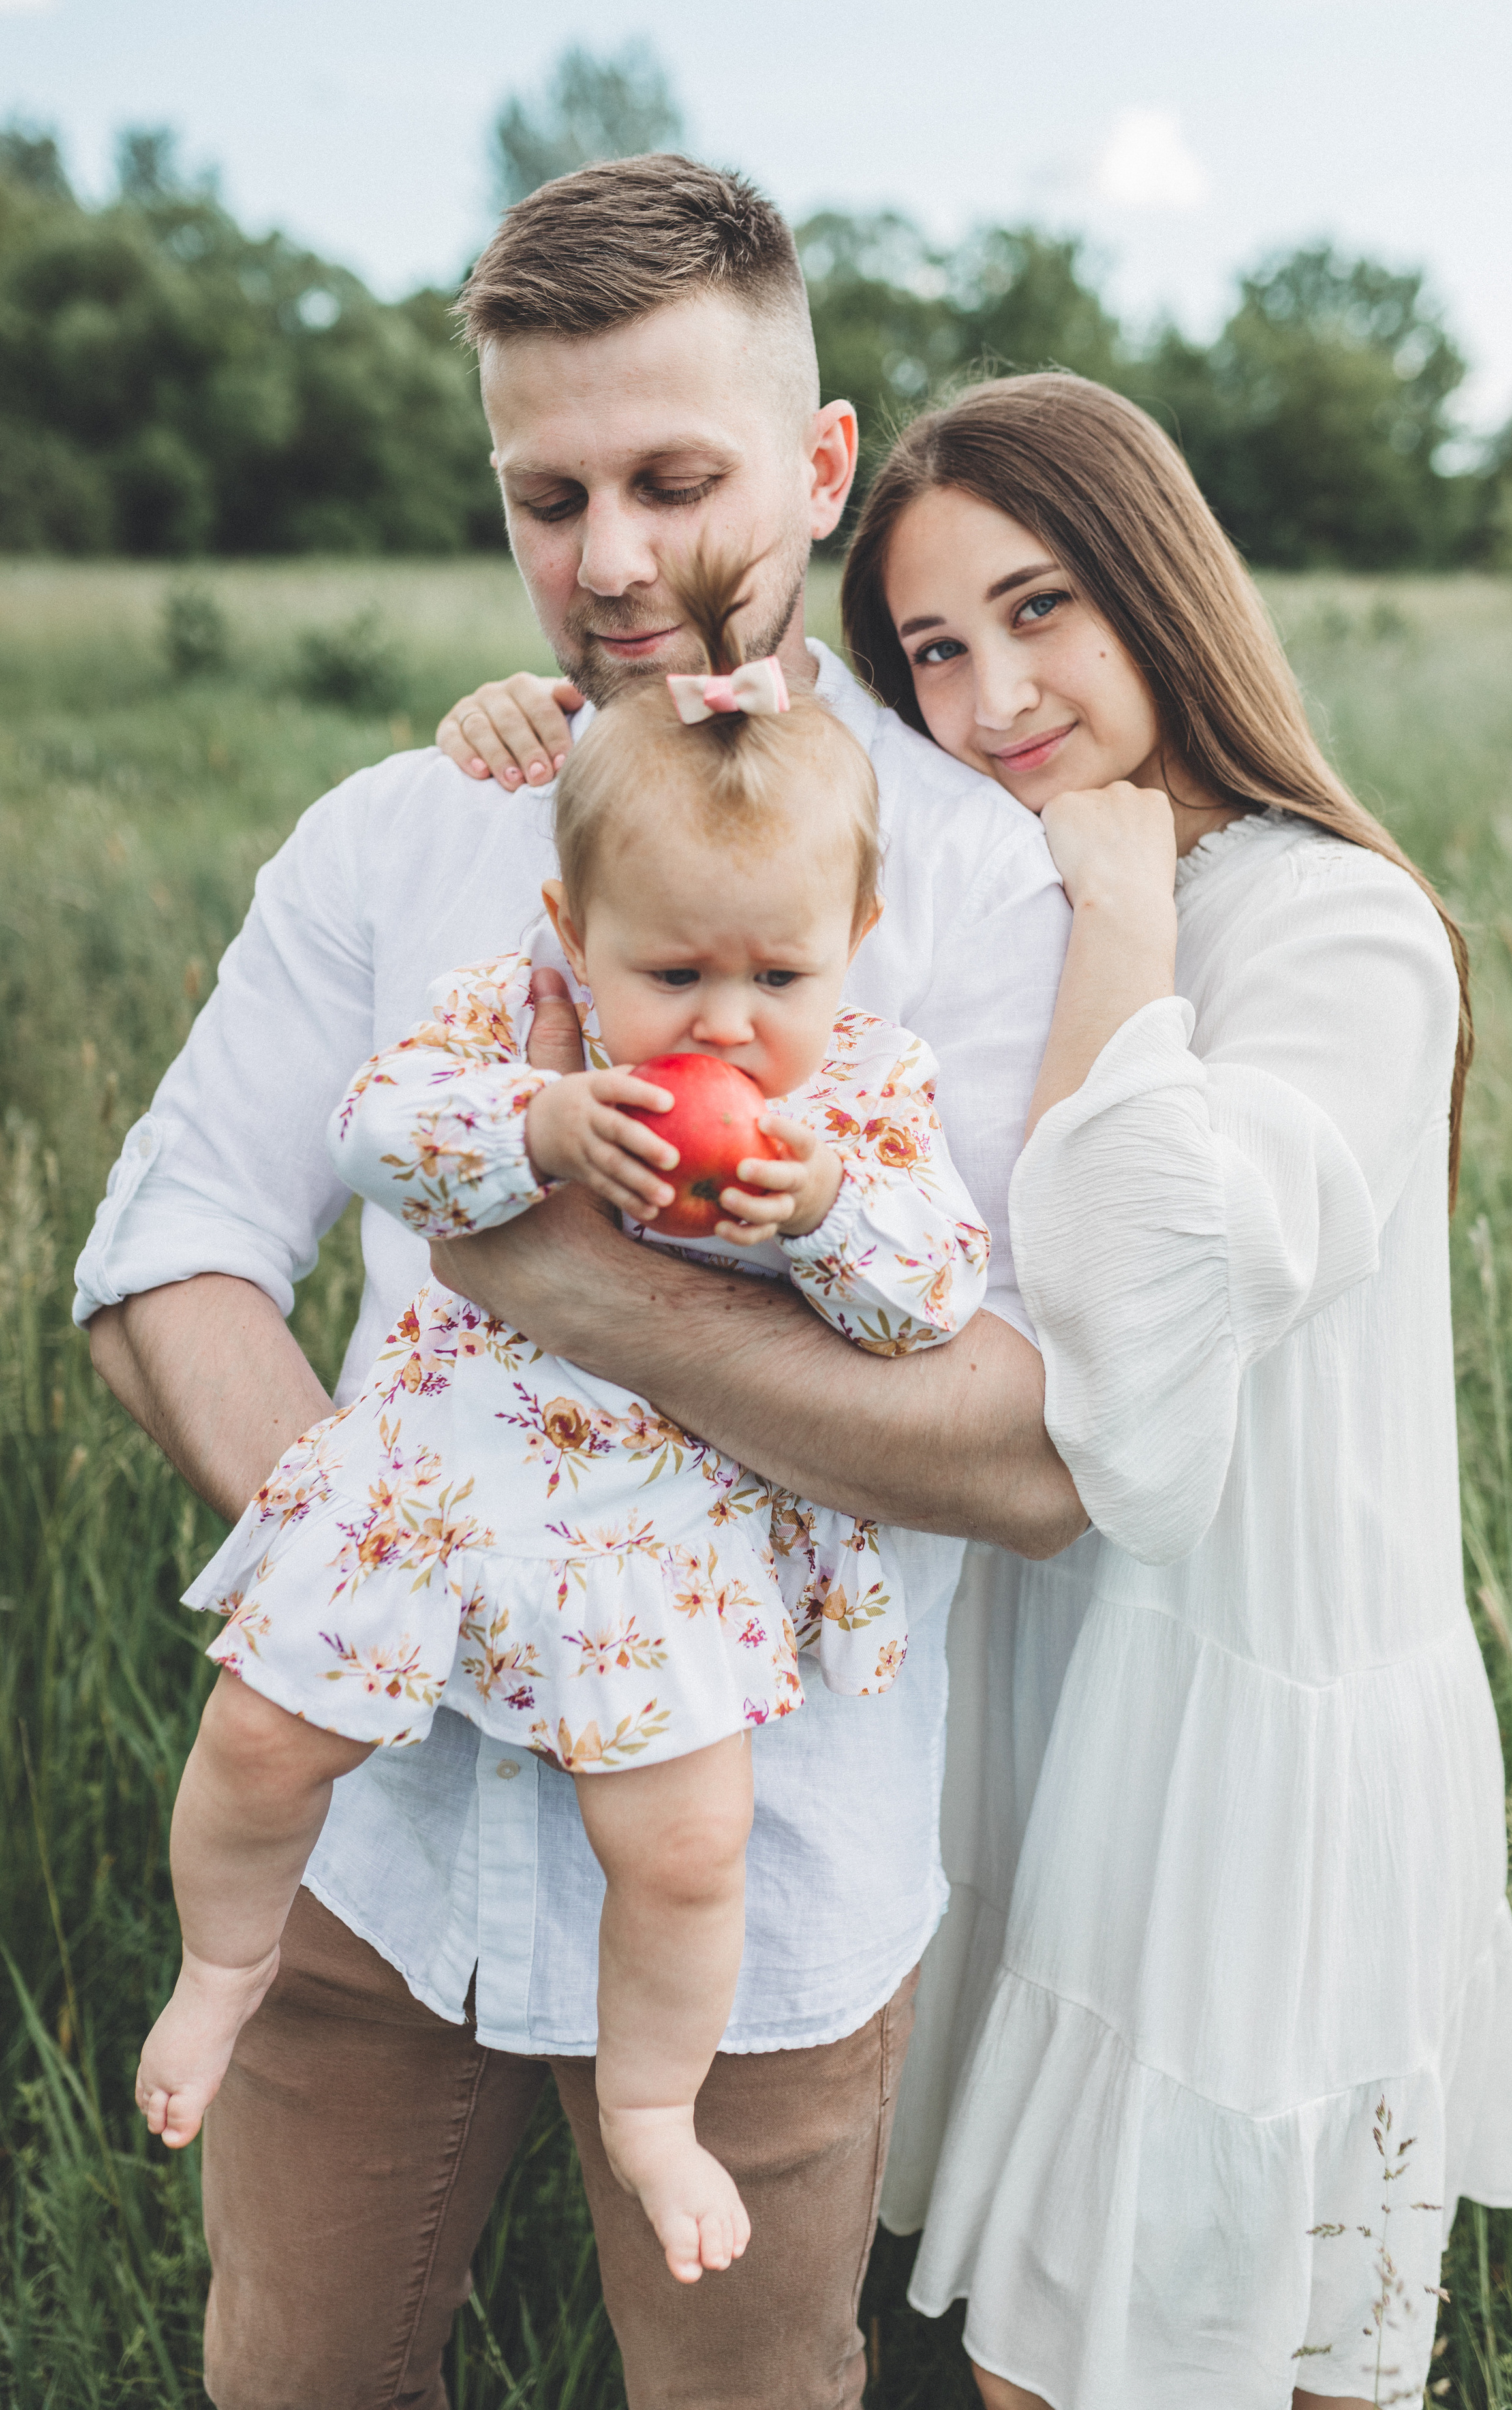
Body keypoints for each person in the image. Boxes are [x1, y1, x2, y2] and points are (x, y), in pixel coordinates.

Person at [77, 156, 1083, 2408]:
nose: (612, 560)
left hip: (770, 1878)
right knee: (293, 2379)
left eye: (675, 482)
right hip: (368, 1845)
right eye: (550, 497)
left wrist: (576, 1294)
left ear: (821, 467)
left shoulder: (967, 878)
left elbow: (1028, 1446)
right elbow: (170, 1252)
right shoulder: (398, 833)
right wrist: (399, 1578)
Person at [134, 544, 993, 2289]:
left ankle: (653, 2109)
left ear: (853, 950)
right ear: (575, 933)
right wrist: (533, 1124)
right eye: (674, 974)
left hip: (653, 1551)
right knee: (262, 1738)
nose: (726, 1027)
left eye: (778, 980)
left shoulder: (864, 1100)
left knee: (687, 1850)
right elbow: (374, 1131)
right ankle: (222, 1966)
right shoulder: (514, 1030)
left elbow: (935, 1294)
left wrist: (823, 1209)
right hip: (435, 1484)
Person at [821, 373, 1512, 2409]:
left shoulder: (1336, 928)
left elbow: (1132, 1335)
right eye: (934, 649)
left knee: (1196, 2349)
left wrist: (1127, 916)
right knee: (1035, 2344)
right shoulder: (989, 902)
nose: (992, 697)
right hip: (1052, 1688)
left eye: (1039, 608)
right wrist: (525, 734)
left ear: (1157, 584)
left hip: (1253, 1733)